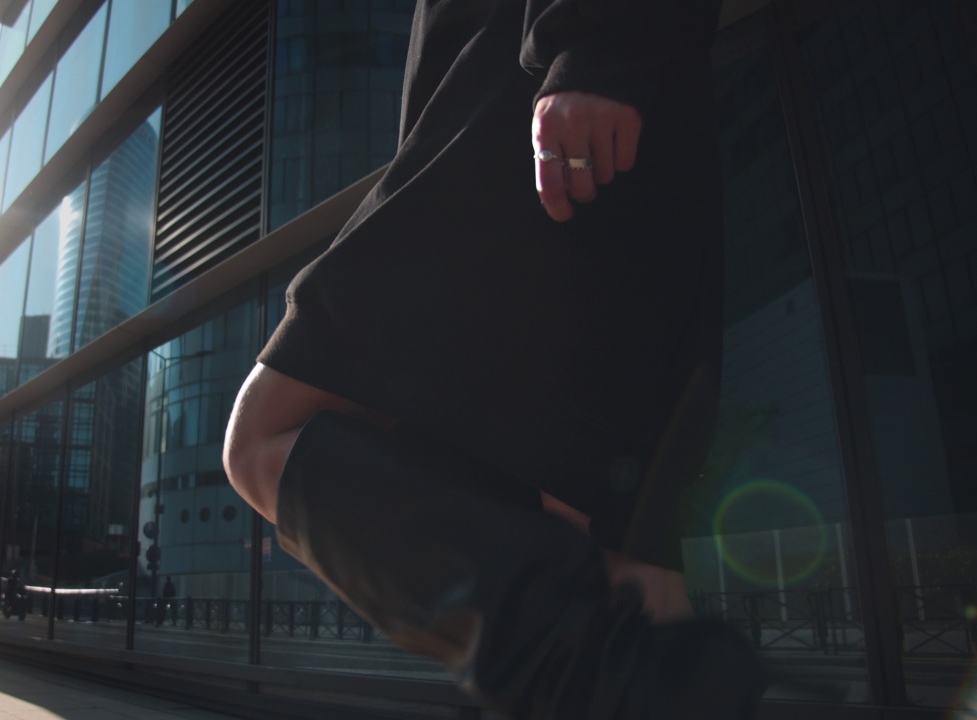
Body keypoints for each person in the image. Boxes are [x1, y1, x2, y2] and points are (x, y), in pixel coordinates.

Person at [224, 0, 767, 717]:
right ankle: (643, 682)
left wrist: (600, 44)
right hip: (502, 121)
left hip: (530, 116)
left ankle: (633, 680)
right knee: (615, 548)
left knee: (265, 436)